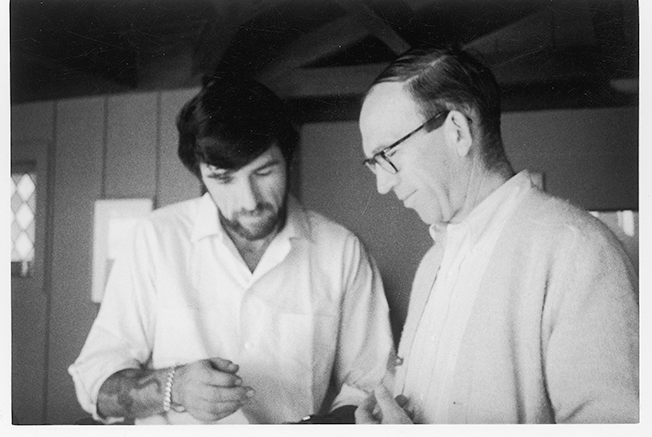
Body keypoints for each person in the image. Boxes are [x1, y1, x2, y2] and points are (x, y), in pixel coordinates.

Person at [69, 76, 394, 425]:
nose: (249, 201)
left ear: (288, 157)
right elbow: (95, 384)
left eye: (264, 171)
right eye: (224, 179)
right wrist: (172, 387)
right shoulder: (155, 239)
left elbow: (371, 387)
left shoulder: (341, 252)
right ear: (201, 174)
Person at [354, 46, 638, 424]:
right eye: (373, 164)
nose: (382, 186)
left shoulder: (578, 250)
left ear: (457, 131)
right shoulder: (432, 264)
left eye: (387, 155)